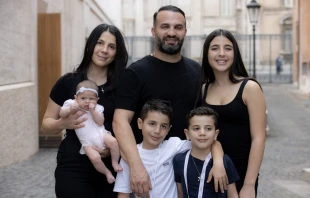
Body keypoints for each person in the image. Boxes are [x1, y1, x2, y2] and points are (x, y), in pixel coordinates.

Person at [113, 5, 227, 198]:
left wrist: (217, 160)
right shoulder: (135, 73)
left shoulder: (197, 72)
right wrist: (136, 166)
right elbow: (120, 121)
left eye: (178, 27)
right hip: (147, 176)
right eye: (165, 26)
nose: (172, 32)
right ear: (153, 31)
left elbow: (206, 123)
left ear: (185, 32)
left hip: (189, 174)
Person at [41, 23, 128, 198]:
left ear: (116, 52)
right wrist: (62, 123)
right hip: (73, 167)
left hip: (112, 169)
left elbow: (129, 126)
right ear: (90, 45)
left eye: (111, 46)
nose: (104, 50)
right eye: (100, 43)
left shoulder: (124, 86)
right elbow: (46, 125)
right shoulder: (68, 82)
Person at [200, 29, 266, 198]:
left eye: (228, 48)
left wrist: (249, 184)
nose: (222, 53)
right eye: (215, 48)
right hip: (211, 172)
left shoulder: (250, 88)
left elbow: (258, 138)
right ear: (207, 53)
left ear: (235, 53)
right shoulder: (204, 90)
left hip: (242, 173)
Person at [114, 99, 192, 198]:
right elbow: (123, 194)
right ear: (140, 123)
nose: (157, 131)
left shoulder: (173, 145)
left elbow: (204, 143)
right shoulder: (130, 156)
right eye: (152, 124)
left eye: (163, 126)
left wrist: (218, 162)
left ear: (169, 129)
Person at [59, 80, 122, 184]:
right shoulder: (71, 103)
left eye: (91, 99)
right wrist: (69, 110)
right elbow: (61, 113)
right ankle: (107, 172)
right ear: (76, 98)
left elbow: (100, 122)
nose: (87, 101)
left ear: (97, 100)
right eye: (83, 98)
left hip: (101, 134)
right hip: (86, 142)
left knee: (114, 142)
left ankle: (114, 162)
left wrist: (93, 111)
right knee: (95, 158)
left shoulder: (98, 108)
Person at [173, 106, 239, 198]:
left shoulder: (225, 161)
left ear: (216, 134)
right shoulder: (179, 160)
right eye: (196, 128)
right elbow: (180, 194)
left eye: (208, 128)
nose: (202, 133)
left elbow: (233, 195)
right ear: (187, 134)